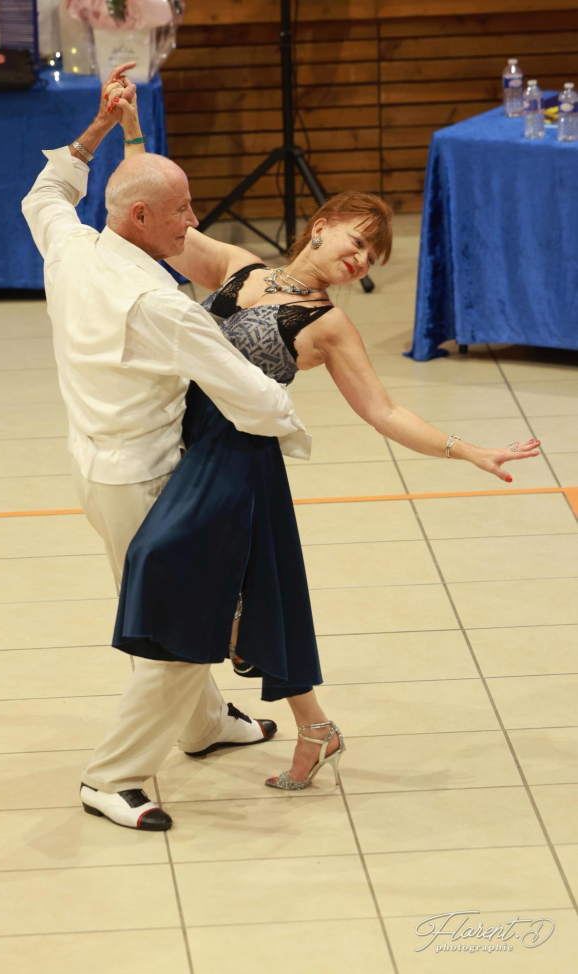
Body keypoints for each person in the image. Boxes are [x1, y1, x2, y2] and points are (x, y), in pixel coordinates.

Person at [102, 73, 543, 799]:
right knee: (258, 599)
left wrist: (468, 449)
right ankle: (309, 726)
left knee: (167, 564)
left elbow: (384, 411)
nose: (363, 257)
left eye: (374, 254)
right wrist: (131, 132)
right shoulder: (237, 265)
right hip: (186, 443)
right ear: (322, 224)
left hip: (237, 463)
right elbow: (161, 227)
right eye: (359, 239)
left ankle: (186, 721)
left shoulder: (327, 325)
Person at [21, 63, 314, 833]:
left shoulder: (72, 248)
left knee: (169, 614)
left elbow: (44, 194)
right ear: (141, 216)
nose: (193, 221)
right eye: (180, 211)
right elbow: (244, 392)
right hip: (151, 482)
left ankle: (201, 725)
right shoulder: (155, 302)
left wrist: (98, 127)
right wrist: (293, 419)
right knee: (182, 633)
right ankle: (111, 778)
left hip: (94, 469)